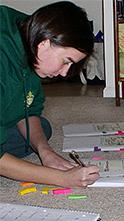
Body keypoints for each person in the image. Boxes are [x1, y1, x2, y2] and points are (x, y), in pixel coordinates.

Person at [0, 1, 100, 188]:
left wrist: (45, 152)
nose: (64, 73)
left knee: (41, 130)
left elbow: (27, 109)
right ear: (45, 43)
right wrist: (60, 178)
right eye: (65, 61)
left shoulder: (30, 43)